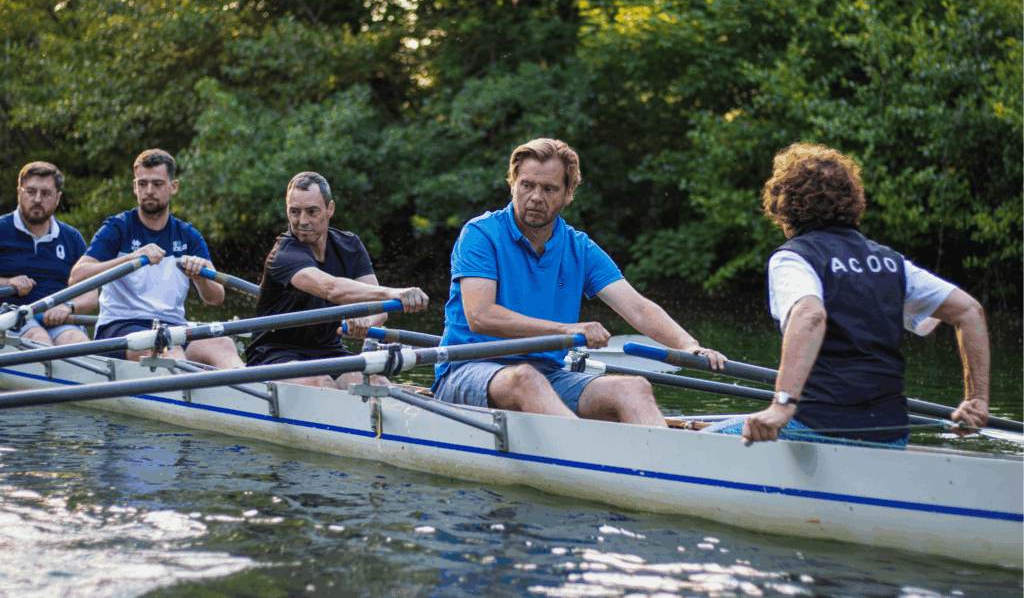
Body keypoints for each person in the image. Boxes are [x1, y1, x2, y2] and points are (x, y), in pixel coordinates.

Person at [431, 138, 727, 426]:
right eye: (527, 185)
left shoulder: (579, 248)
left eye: (549, 189)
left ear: (568, 193)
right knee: (525, 379)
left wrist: (688, 345)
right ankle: (583, 461)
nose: (535, 197)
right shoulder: (480, 234)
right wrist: (567, 329)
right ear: (512, 184)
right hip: (466, 368)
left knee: (634, 388)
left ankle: (664, 470)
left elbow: (636, 307)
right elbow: (481, 317)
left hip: (548, 374)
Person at [721, 143, 989, 446]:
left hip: (817, 429)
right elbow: (969, 311)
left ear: (783, 207)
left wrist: (781, 406)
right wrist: (977, 399)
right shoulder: (891, 262)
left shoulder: (794, 257)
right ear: (852, 202)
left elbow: (810, 315)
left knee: (699, 435)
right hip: (891, 435)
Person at [245, 171, 429, 389]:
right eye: (295, 212)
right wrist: (393, 293)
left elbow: (379, 309)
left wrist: (363, 323)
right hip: (274, 354)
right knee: (321, 383)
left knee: (376, 382)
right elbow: (331, 288)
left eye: (312, 212)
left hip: (329, 352)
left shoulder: (350, 245)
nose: (302, 221)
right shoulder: (284, 253)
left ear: (329, 209)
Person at [69, 149, 243, 368]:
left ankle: (249, 395)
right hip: (119, 330)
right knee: (169, 348)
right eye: (142, 184)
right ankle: (189, 393)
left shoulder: (188, 235)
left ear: (174, 187)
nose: (149, 191)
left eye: (158, 184)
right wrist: (132, 258)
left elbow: (216, 298)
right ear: (135, 187)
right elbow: (77, 277)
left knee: (223, 344)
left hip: (173, 327)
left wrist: (200, 278)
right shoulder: (117, 228)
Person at [0, 162, 96, 346]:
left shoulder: (72, 237)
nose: (37, 199)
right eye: (30, 191)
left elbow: (91, 293)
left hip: (59, 321)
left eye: (45, 193)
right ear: (19, 193)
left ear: (57, 198)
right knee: (39, 340)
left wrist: (68, 307)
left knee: (78, 343)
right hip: (10, 318)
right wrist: (7, 282)